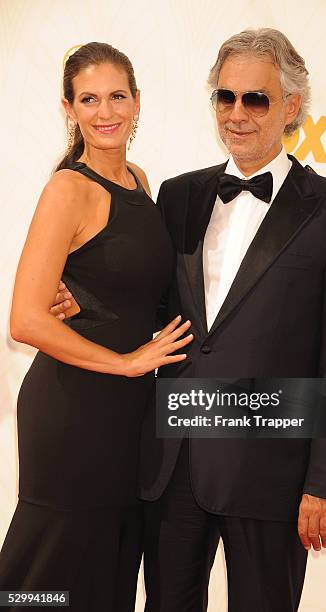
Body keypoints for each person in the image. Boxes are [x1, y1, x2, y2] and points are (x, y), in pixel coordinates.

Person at [52, 29, 326, 612]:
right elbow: (151, 306)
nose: (238, 113)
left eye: (256, 99)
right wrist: (86, 302)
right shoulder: (178, 196)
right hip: (173, 462)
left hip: (273, 473)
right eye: (226, 97)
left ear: (291, 107)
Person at [0, 42, 193, 612]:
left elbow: (125, 287)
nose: (104, 111)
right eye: (89, 99)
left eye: (116, 96)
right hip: (72, 411)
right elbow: (25, 318)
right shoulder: (68, 188)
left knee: (104, 575)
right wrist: (128, 361)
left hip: (125, 422)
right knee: (44, 578)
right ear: (69, 108)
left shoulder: (137, 178)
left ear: (137, 102)